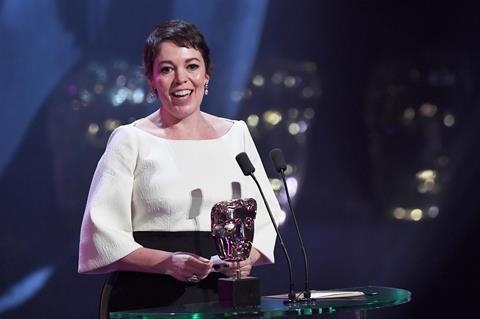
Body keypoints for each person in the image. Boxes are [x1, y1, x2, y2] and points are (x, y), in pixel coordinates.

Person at [78, 19, 281, 312]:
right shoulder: (131, 140)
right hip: (147, 299)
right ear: (151, 79)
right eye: (167, 69)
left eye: (192, 66)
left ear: (207, 74)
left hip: (223, 297)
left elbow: (266, 219)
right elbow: (101, 236)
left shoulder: (236, 135)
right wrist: (168, 263)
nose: (181, 78)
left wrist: (247, 259)